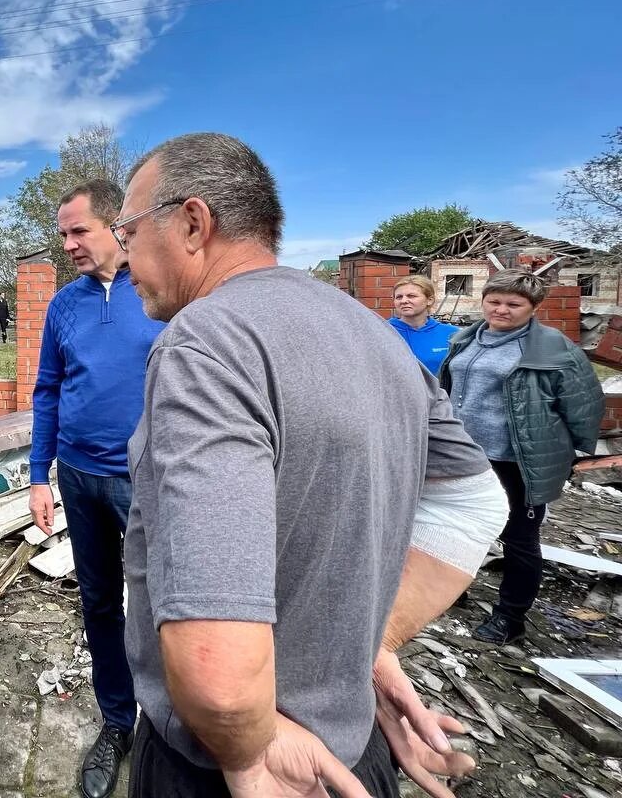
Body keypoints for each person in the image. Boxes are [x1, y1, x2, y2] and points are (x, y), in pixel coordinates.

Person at [117, 132, 507, 798]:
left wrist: (250, 754)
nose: (124, 261)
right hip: (355, 750)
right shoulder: (371, 334)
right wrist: (369, 648)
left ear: (191, 223)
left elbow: (214, 672)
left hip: (242, 768)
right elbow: (474, 504)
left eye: (127, 233)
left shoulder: (207, 339)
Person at [28, 179, 166, 798]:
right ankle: (117, 721)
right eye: (63, 234)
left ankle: (174, 724)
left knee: (167, 606)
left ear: (117, 226)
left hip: (148, 481)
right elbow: (48, 391)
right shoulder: (65, 305)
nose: (69, 244)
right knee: (100, 604)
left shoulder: (161, 293)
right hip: (80, 480)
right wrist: (38, 476)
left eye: (78, 230)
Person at [438, 268, 604, 644]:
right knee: (458, 528)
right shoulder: (467, 339)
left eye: (513, 304)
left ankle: (510, 617)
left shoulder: (552, 347)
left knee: (519, 538)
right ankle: (452, 591)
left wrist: (571, 455)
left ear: (532, 308)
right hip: (464, 454)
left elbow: (584, 402)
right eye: (494, 301)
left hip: (518, 459)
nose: (501, 310)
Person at [389, 275, 456, 375]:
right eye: (399, 297)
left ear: (430, 300)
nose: (404, 301)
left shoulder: (452, 334)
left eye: (411, 296)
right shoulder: (384, 331)